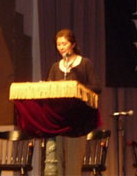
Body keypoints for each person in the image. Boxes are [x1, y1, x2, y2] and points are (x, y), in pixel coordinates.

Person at [46, 28, 102, 176]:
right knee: (56, 163)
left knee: (72, 164)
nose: (61, 47)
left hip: (77, 121)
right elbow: (48, 89)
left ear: (73, 44)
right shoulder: (55, 67)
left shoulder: (84, 64)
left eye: (64, 43)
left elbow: (96, 87)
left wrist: (76, 88)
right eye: (58, 44)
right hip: (58, 121)